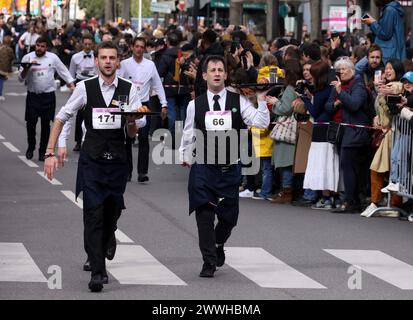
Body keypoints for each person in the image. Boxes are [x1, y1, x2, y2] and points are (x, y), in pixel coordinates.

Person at [43, 41, 146, 293]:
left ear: (118, 62)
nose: (108, 61)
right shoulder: (85, 88)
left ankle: (110, 234)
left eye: (112, 57)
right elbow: (62, 116)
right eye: (104, 58)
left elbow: (132, 131)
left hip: (118, 159)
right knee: (92, 214)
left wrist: (133, 120)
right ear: (97, 62)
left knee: (112, 211)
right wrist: (50, 151)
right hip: (92, 159)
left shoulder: (129, 89)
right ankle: (98, 272)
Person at [179, 55, 269, 277]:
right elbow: (189, 131)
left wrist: (262, 99)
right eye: (212, 70)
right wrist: (184, 154)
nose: (217, 73)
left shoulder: (238, 101)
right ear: (205, 75)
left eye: (220, 70)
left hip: (230, 167)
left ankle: (218, 244)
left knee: (229, 218)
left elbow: (261, 122)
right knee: (205, 216)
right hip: (203, 167)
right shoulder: (194, 105)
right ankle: (208, 261)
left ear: (226, 75)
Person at [118, 37, 168, 182]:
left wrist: (164, 104)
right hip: (127, 104)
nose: (139, 49)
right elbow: (118, 83)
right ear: (132, 47)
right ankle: (127, 171)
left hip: (144, 104)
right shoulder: (124, 64)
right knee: (128, 139)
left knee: (144, 138)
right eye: (137, 46)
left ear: (145, 48)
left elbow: (158, 85)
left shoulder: (150, 65)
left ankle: (142, 172)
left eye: (142, 47)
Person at [326, 58, 372, 213]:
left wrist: (341, 93)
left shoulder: (358, 85)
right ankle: (354, 201)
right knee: (349, 167)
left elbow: (354, 105)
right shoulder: (337, 86)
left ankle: (350, 201)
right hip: (341, 132)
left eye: (344, 69)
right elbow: (327, 107)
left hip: (356, 133)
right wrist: (335, 103)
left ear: (352, 70)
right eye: (339, 70)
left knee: (349, 166)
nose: (340, 72)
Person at [19, 36, 75, 162]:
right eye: (38, 45)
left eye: (42, 46)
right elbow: (21, 78)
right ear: (35, 45)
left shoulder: (52, 57)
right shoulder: (28, 57)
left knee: (46, 125)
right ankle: (31, 145)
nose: (39, 48)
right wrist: (27, 68)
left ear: (46, 47)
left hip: (48, 96)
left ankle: (42, 151)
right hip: (33, 96)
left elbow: (63, 71)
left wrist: (71, 84)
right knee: (31, 123)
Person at [68, 34, 96, 152]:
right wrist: (72, 87)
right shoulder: (75, 57)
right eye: (86, 44)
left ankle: (92, 141)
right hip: (80, 84)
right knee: (80, 115)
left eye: (90, 44)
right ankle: (78, 142)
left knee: (93, 114)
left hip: (94, 84)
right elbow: (71, 74)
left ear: (93, 44)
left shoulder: (97, 56)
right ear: (82, 44)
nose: (88, 46)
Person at [0, 35, 14, 101]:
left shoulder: (0, 48)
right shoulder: (10, 49)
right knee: (1, 81)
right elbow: (12, 58)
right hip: (3, 68)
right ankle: (0, 94)